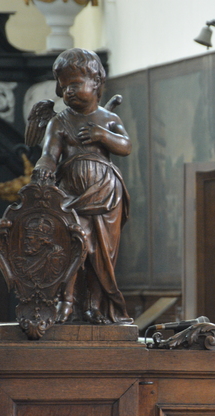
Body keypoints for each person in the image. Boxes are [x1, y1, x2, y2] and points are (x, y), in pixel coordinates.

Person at [32, 48, 132, 325]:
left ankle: (95, 307)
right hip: (71, 196)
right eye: (64, 87)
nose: (68, 92)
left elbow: (126, 146)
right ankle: (66, 302)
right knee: (73, 246)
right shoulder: (59, 121)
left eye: (75, 84)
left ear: (96, 82)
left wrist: (103, 135)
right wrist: (43, 167)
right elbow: (49, 154)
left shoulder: (109, 119)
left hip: (107, 194)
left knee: (102, 255)